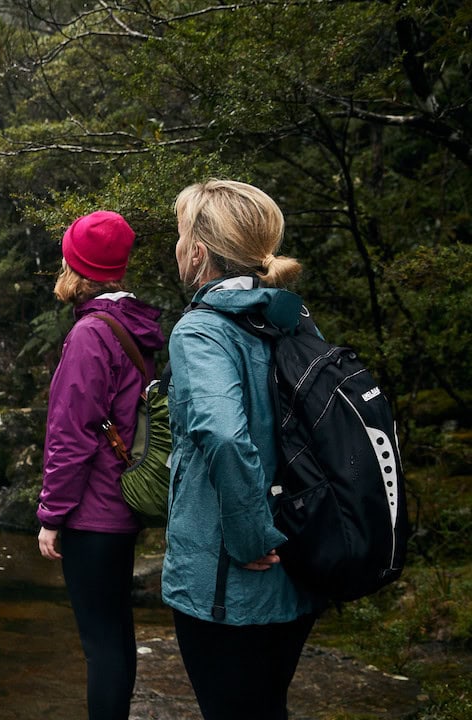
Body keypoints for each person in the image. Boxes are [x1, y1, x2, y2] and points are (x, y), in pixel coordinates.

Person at [162, 179, 322, 720]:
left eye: (181, 235)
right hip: (297, 567)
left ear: (198, 253)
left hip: (230, 582)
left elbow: (226, 436)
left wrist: (250, 536)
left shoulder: (201, 332)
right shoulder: (290, 318)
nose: (177, 246)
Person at [37, 210, 166, 720]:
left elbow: (72, 435)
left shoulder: (91, 333)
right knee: (115, 634)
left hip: (93, 513)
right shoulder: (132, 323)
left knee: (102, 644)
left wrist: (51, 514)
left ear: (75, 265)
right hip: (122, 504)